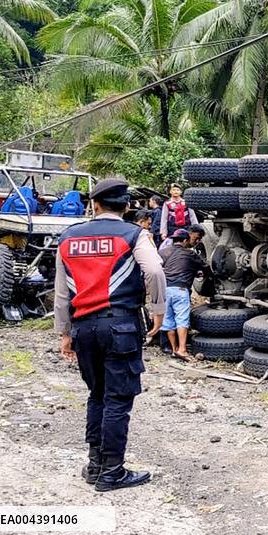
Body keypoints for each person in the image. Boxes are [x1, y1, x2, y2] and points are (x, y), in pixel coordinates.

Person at [55, 178, 165, 492]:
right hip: (121, 327)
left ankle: (94, 465)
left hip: (83, 328)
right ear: (127, 206)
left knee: (97, 396)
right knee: (118, 399)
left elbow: (62, 294)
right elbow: (155, 271)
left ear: (95, 205)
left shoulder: (69, 238)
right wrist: (158, 310)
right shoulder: (134, 234)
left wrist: (64, 333)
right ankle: (112, 472)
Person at [159, 228, 207, 360]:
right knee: (182, 320)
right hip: (180, 290)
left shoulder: (163, 252)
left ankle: (173, 349)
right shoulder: (190, 254)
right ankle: (182, 349)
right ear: (185, 240)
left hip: (164, 290)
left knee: (168, 320)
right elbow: (205, 266)